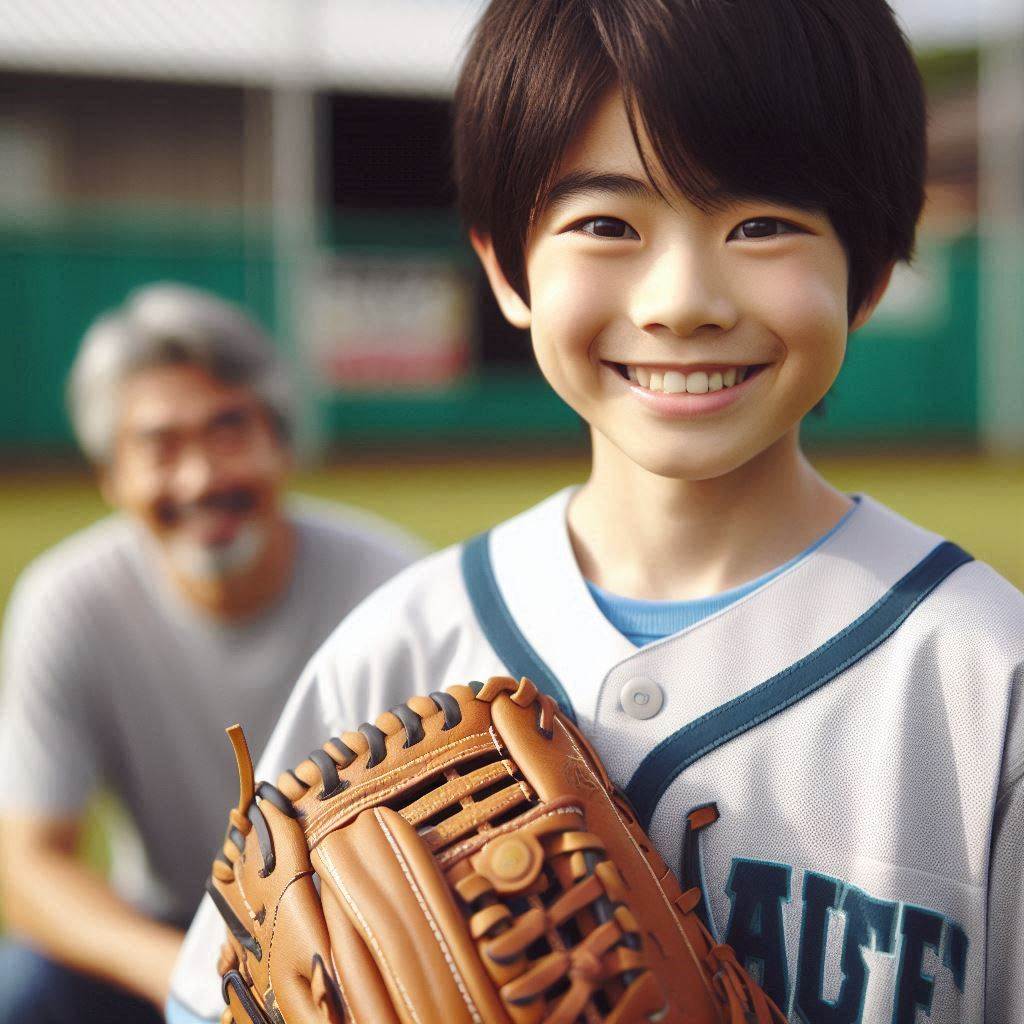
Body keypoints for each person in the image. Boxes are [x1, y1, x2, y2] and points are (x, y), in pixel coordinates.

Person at [167, 2, 1024, 1021]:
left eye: (761, 226)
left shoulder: (984, 683)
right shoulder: (395, 649)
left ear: (871, 269)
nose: (681, 299)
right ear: (505, 266)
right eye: (606, 224)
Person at [0, 283, 424, 1023]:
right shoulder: (67, 601)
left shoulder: (394, 587)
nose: (201, 478)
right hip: (166, 936)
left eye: (229, 430)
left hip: (350, 945)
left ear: (281, 443)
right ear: (111, 475)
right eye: (160, 445)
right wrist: (190, 980)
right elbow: (29, 865)